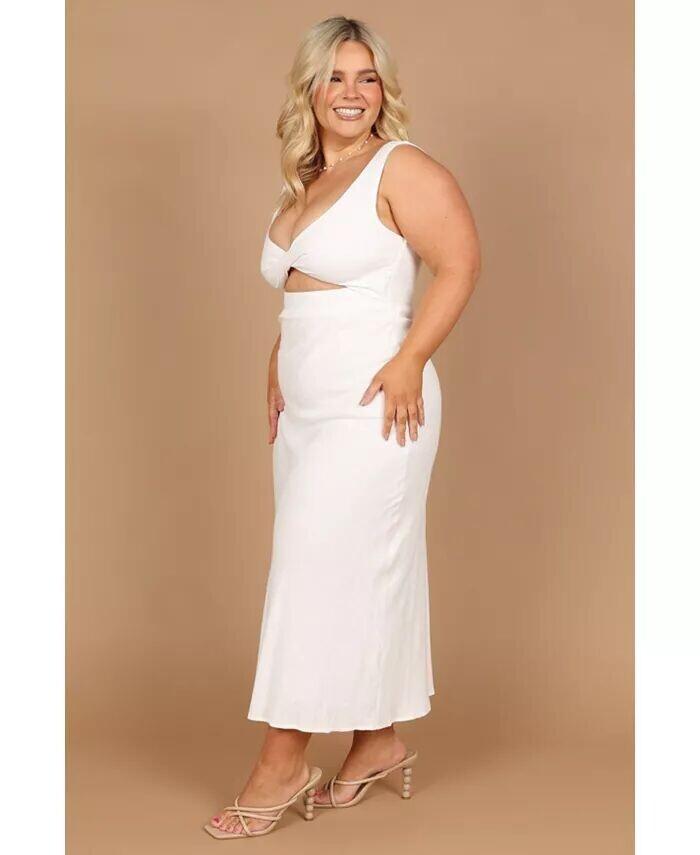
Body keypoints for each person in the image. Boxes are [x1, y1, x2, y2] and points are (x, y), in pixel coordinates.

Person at [204, 15, 480, 839]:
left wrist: (410, 359)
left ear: (384, 90)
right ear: (311, 91)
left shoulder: (403, 167)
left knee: (311, 570)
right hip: (309, 408)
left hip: (375, 402)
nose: (352, 93)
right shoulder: (307, 182)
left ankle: (281, 762)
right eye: (335, 77)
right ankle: (376, 741)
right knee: (358, 571)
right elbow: (308, 289)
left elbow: (460, 262)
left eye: (367, 77)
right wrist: (278, 356)